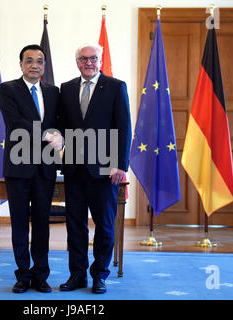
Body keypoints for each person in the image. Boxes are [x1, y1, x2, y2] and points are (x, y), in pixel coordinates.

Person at [58, 44, 132, 294]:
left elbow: (124, 128)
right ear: (77, 62)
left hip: (104, 170)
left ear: (100, 61)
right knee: (74, 225)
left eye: (93, 58)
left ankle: (100, 275)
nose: (88, 62)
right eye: (83, 59)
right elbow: (62, 126)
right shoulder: (66, 89)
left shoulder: (115, 86)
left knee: (105, 226)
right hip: (74, 170)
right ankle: (77, 275)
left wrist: (121, 165)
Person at [0, 44, 61, 293]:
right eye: (29, 60)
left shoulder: (53, 92)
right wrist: (49, 135)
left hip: (45, 168)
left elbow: (60, 123)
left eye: (39, 61)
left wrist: (62, 137)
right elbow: (16, 124)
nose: (35, 65)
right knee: (20, 223)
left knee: (43, 224)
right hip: (18, 167)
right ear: (21, 64)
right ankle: (23, 275)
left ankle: (41, 275)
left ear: (44, 66)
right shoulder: (8, 89)